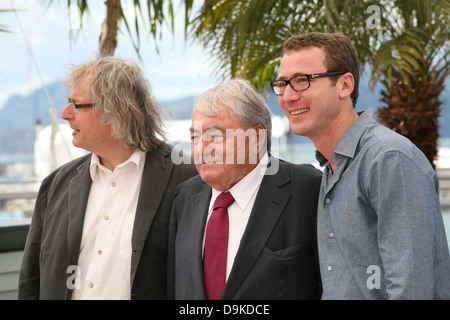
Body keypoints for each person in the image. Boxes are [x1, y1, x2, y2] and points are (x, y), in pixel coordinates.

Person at [271, 32, 450, 299]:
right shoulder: (332, 168)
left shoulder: (388, 159)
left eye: (301, 81)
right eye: (282, 84)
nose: (287, 96)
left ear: (344, 85)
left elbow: (411, 290)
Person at [18, 55, 197, 300]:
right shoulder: (56, 185)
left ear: (115, 110)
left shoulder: (187, 178)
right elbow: (31, 282)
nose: (64, 113)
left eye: (75, 104)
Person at [167, 78, 322, 300]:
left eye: (214, 136)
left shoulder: (307, 188)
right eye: (195, 137)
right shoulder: (185, 196)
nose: (201, 149)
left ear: (257, 137)